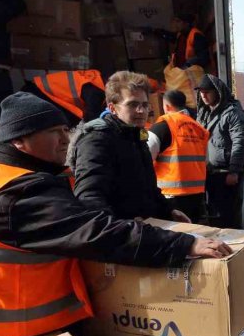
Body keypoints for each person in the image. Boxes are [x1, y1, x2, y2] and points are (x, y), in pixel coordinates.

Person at [0, 92, 232, 336]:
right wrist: (184, 244)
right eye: (53, 132)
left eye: (65, 130)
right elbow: (97, 233)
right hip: (12, 334)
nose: (65, 140)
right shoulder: (18, 195)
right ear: (19, 140)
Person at [71, 71, 188, 222]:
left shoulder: (137, 136)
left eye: (144, 105)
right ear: (112, 108)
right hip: (122, 232)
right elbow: (90, 198)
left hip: (146, 227)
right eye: (132, 104)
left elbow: (148, 189)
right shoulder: (96, 140)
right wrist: (123, 227)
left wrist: (169, 210)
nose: (141, 111)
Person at [147, 89, 210, 225]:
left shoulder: (162, 127)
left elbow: (144, 159)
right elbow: (206, 161)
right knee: (193, 231)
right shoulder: (200, 129)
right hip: (197, 195)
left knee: (173, 233)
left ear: (166, 106)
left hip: (170, 196)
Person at [195, 74, 244, 228]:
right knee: (214, 215)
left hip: (226, 173)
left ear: (217, 92)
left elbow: (240, 142)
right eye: (201, 92)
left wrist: (234, 171)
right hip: (210, 172)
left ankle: (235, 242)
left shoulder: (232, 113)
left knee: (229, 216)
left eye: (207, 92)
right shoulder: (203, 113)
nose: (203, 95)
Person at [22, 70, 106, 125]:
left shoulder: (95, 80)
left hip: (37, 89)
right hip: (38, 92)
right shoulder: (96, 91)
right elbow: (92, 120)